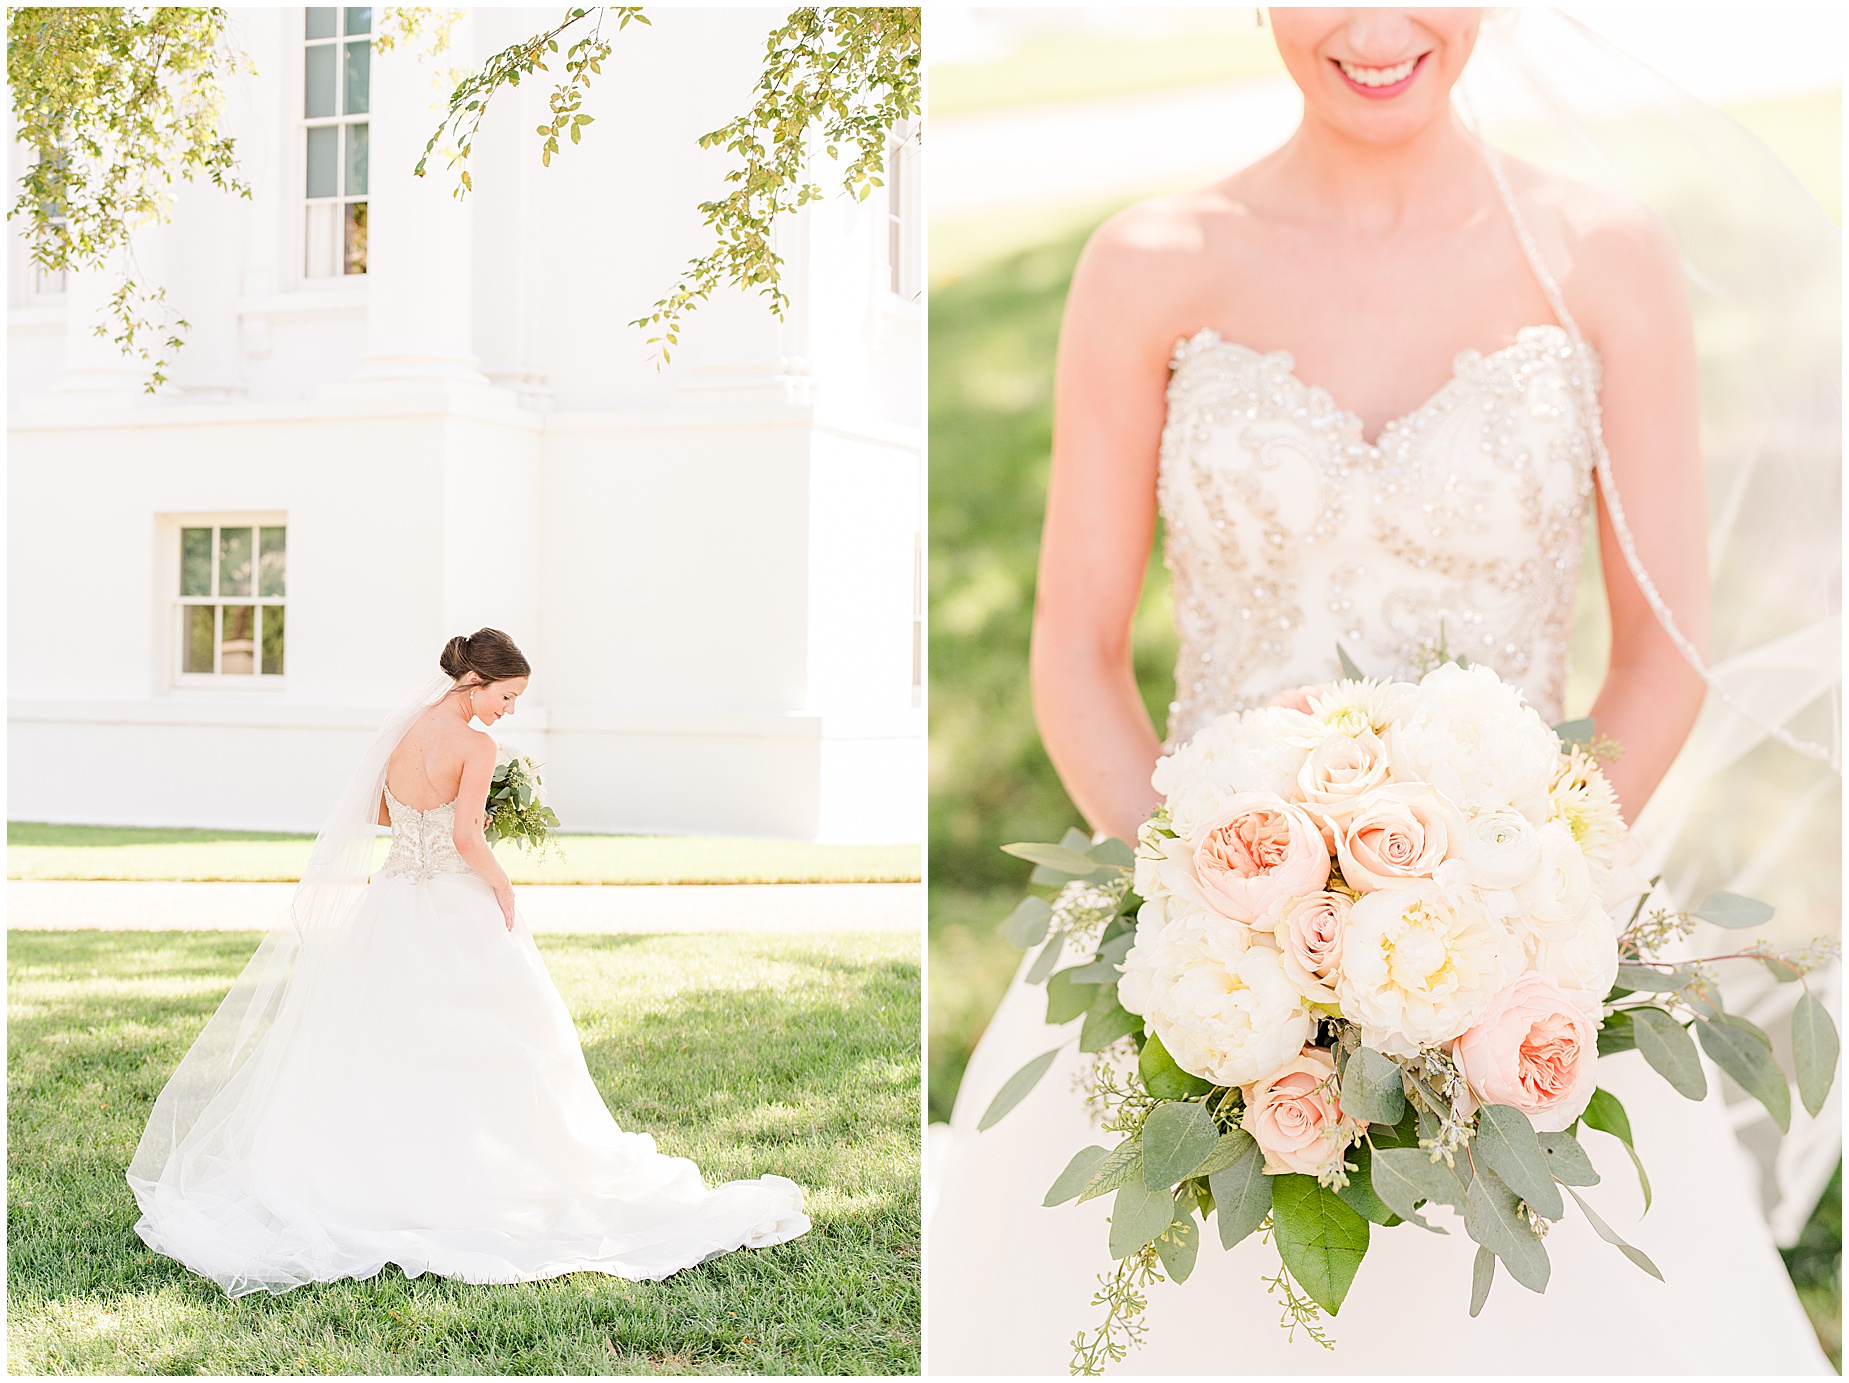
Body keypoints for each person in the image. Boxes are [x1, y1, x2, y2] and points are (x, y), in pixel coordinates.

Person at [926, 10, 1833, 1373]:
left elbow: (1662, 656)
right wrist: (1208, 915)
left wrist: (1513, 909)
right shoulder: (1148, 265)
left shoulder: (1601, 253)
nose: (1372, 26)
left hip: (1523, 945)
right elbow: (1076, 653)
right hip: (1195, 932)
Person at [128, 628, 809, 1297]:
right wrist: (502, 881)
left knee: (377, 1036)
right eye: (507, 697)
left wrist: (428, 822)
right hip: (453, 902)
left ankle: (368, 1173)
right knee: (507, 1036)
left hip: (392, 902)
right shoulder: (476, 745)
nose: (507, 712)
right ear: (477, 681)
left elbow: (376, 810)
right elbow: (463, 836)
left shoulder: (402, 729)